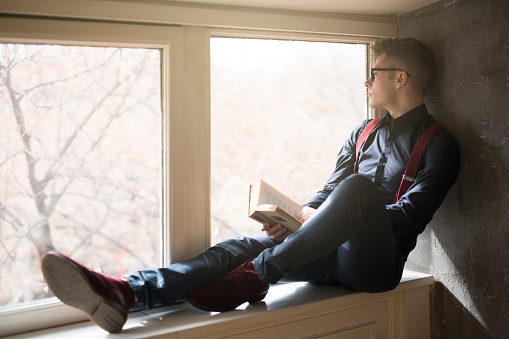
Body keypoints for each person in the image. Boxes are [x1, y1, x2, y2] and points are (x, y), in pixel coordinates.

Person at [41, 37, 460, 333]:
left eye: (375, 73)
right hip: (326, 254)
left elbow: (409, 216)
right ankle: (126, 294)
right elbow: (327, 193)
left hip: (374, 267)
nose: (366, 82)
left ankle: (259, 274)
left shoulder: (439, 145)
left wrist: (342, 213)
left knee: (359, 192)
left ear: (401, 78)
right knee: (239, 246)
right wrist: (295, 219)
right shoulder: (362, 132)